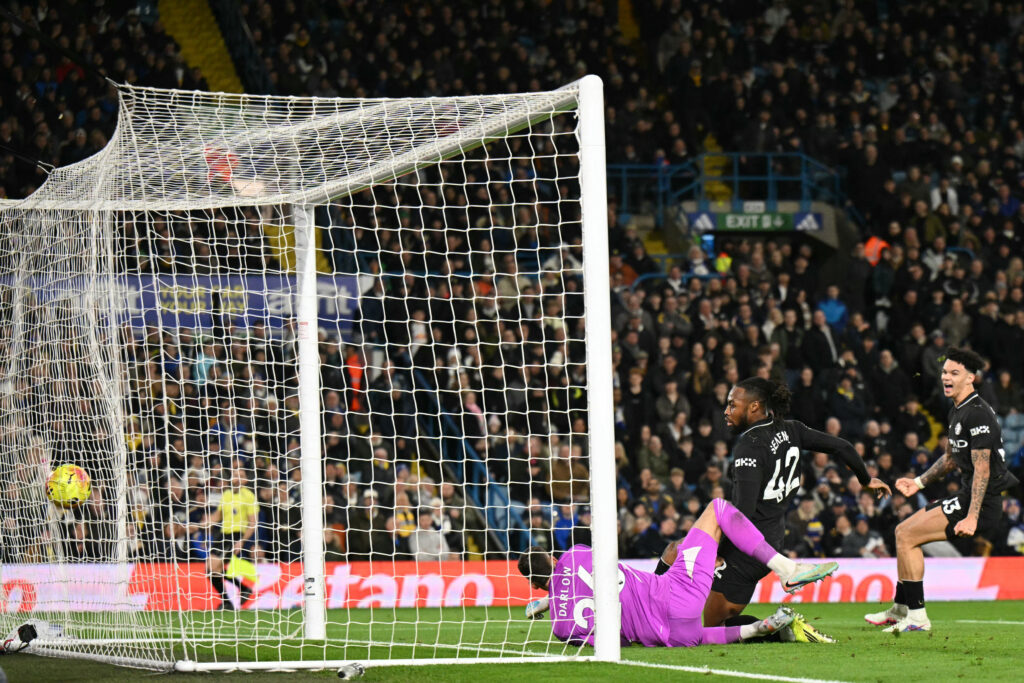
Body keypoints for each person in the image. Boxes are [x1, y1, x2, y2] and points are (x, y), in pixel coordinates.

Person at [517, 497, 840, 647]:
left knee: (698, 635)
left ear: (535, 585)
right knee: (718, 509)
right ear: (553, 557)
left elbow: (614, 640)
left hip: (668, 635)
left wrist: (549, 601)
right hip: (674, 594)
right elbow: (583, 574)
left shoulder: (561, 627)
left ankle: (756, 629)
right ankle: (787, 569)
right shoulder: (574, 554)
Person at [704, 377, 891, 632]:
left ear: (754, 406)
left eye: (732, 405)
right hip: (772, 542)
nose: (726, 411)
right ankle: (781, 628)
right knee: (716, 623)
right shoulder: (792, 429)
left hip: (746, 549)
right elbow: (843, 446)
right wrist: (866, 479)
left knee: (711, 628)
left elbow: (743, 513)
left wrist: (719, 551)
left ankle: (784, 629)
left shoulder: (749, 445)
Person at [865, 347, 1020, 632]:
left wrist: (972, 516)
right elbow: (950, 458)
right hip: (967, 496)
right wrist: (919, 482)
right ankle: (901, 609)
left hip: (981, 502)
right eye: (945, 372)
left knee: (906, 535)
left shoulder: (978, 414)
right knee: (903, 532)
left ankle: (916, 616)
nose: (946, 377)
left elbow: (983, 469)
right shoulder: (957, 410)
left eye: (954, 373)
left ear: (970, 378)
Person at [204, 468, 257, 609]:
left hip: (236, 535)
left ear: (245, 480)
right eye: (235, 474)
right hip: (222, 535)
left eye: (241, 475)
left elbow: (253, 523)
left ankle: (228, 601)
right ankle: (241, 591)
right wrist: (206, 522)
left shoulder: (249, 496)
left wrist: (242, 541)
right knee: (209, 570)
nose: (237, 477)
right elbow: (217, 516)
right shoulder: (226, 494)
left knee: (214, 567)